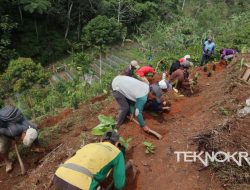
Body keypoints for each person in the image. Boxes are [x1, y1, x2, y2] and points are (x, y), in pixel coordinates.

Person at [53, 130, 126, 190]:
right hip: (81, 185)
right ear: (117, 144)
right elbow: (119, 184)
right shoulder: (117, 152)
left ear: (101, 140)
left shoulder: (89, 145)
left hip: (58, 177)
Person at [0, 106, 38, 173]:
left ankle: (37, 146)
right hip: (3, 128)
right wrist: (12, 138)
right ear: (23, 134)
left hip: (12, 120)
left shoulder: (30, 126)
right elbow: (6, 132)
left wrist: (37, 144)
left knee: (32, 132)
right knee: (3, 148)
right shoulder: (11, 131)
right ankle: (8, 162)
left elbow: (33, 132)